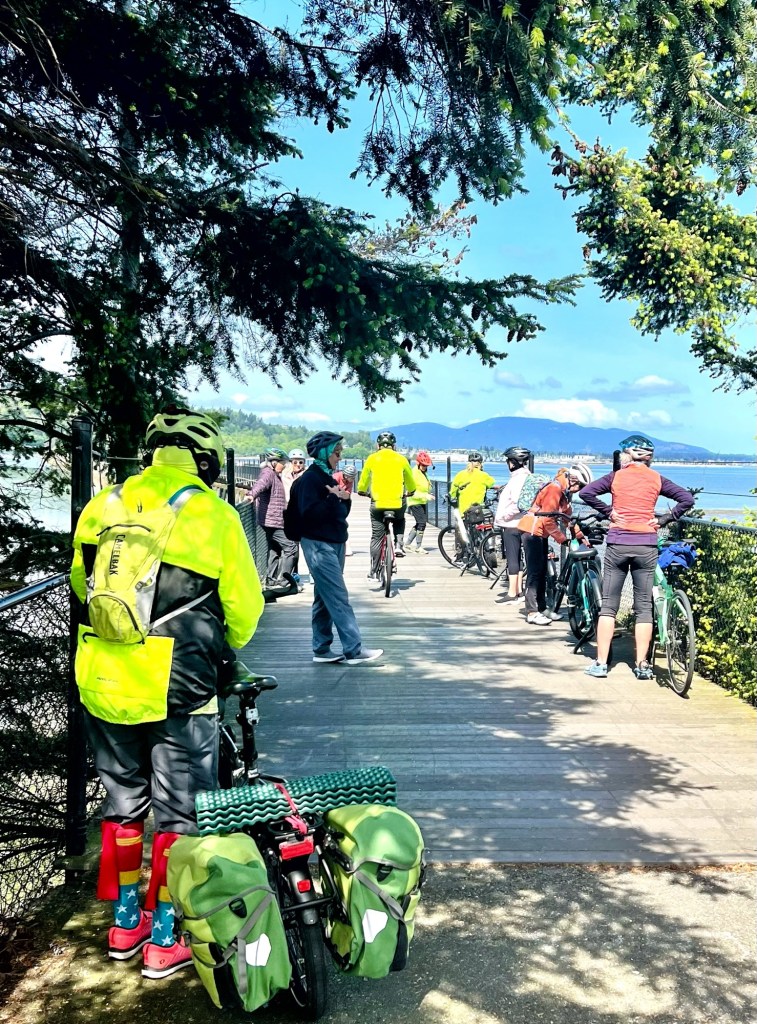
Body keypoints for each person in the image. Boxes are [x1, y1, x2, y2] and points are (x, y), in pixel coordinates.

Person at [70, 406, 264, 979]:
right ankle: (164, 935)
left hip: (104, 678)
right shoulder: (213, 513)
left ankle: (123, 924)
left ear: (150, 454)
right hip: (180, 684)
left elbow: (83, 584)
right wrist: (223, 644)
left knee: (122, 806)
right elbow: (245, 608)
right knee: (180, 812)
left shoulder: (102, 505)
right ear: (205, 461)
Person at [578, 434, 695, 679]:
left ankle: (601, 664)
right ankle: (642, 666)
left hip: (618, 544)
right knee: (644, 607)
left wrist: (609, 512)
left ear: (627, 455)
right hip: (646, 545)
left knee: (609, 606)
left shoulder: (616, 477)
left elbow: (586, 493)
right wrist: (664, 519)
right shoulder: (657, 478)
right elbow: (687, 499)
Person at [285, 431, 383, 664]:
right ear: (324, 453)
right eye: (336, 453)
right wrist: (333, 498)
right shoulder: (310, 480)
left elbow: (339, 513)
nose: (339, 457)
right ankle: (354, 650)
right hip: (319, 545)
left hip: (334, 542)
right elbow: (310, 514)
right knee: (338, 596)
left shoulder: (326, 478)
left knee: (324, 597)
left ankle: (321, 649)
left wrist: (344, 499)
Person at [517, 464, 593, 625]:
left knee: (542, 571)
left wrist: (580, 537)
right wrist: (562, 539)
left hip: (540, 533)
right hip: (532, 531)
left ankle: (542, 608)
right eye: (580, 486)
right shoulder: (554, 489)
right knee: (534, 572)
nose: (579, 490)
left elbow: (568, 519)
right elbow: (548, 520)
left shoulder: (564, 493)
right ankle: (532, 612)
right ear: (573, 480)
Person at [357, 431, 415, 578]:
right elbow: (410, 481)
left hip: (378, 503)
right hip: (397, 502)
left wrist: (362, 491)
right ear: (393, 446)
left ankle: (374, 569)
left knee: (377, 536)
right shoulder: (401, 459)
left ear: (378, 446)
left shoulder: (372, 459)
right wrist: (411, 491)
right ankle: (399, 544)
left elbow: (364, 480)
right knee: (400, 519)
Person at [246, 446, 298, 587]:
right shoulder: (268, 473)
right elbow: (261, 484)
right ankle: (284, 581)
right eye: (282, 463)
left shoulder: (274, 474)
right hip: (272, 520)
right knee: (291, 548)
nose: (284, 466)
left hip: (272, 519)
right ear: (274, 462)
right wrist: (251, 495)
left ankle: (271, 579)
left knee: (274, 549)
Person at [493, 446, 531, 599]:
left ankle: (511, 592)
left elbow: (518, 504)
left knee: (512, 557)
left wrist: (504, 517)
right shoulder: (527, 476)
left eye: (508, 461)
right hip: (524, 523)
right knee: (519, 557)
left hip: (512, 524)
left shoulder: (516, 480)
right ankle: (519, 589)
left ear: (513, 462)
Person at [448, 451, 496, 563]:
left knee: (460, 531)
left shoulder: (460, 475)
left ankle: (461, 555)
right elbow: (492, 483)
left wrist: (454, 497)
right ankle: (485, 548)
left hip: (464, 511)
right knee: (483, 526)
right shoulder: (484, 475)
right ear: (481, 463)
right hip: (479, 510)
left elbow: (452, 492)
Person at [406, 450, 435, 554]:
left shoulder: (423, 473)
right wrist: (426, 495)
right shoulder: (414, 473)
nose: (424, 467)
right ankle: (418, 547)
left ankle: (407, 544)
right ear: (418, 463)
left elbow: (425, 486)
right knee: (422, 523)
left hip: (421, 501)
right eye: (423, 465)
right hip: (414, 501)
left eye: (426, 466)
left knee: (419, 523)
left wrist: (428, 492)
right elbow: (412, 491)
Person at [332, 464, 357, 556]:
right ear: (345, 475)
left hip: (343, 500)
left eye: (354, 477)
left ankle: (345, 544)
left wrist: (342, 493)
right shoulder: (335, 477)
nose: (353, 479)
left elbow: (347, 495)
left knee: (342, 521)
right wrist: (341, 493)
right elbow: (332, 491)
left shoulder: (349, 481)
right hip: (332, 500)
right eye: (351, 477)